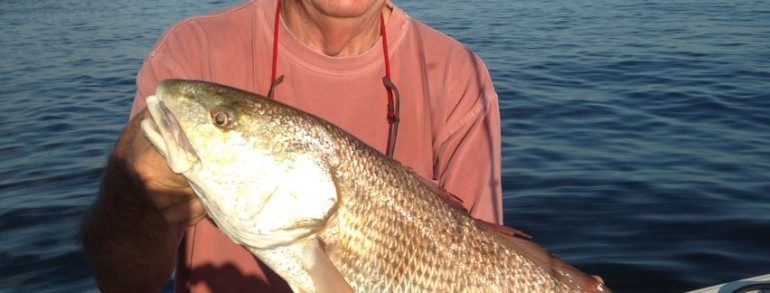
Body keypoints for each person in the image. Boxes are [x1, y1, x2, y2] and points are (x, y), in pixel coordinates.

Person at [80, 0, 503, 292]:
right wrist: (132, 190)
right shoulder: (192, 55)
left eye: (221, 120)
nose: (214, 120)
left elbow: (491, 265)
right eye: (222, 121)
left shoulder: (458, 78)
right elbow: (122, 284)